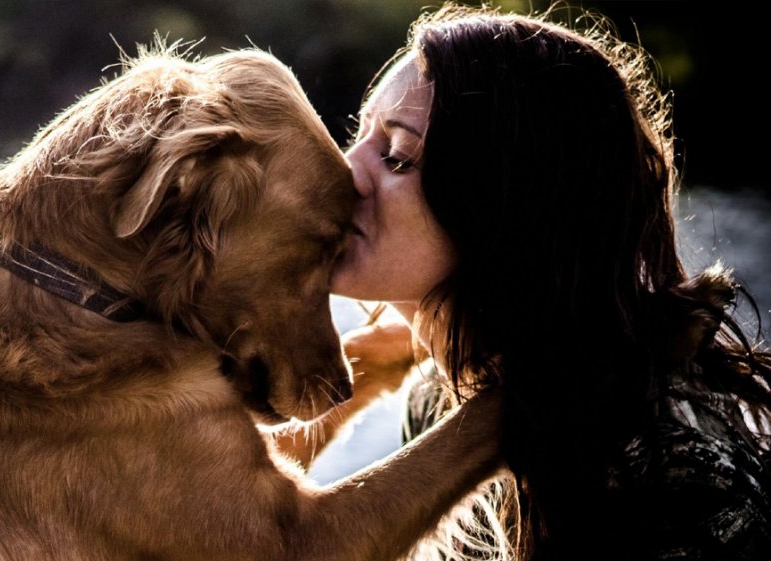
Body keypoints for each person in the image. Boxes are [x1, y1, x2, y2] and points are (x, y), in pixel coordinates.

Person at [320, 4, 771, 560]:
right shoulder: (439, 397)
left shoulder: (673, 478)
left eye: (396, 157)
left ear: (507, 207)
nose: (343, 171)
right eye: (357, 136)